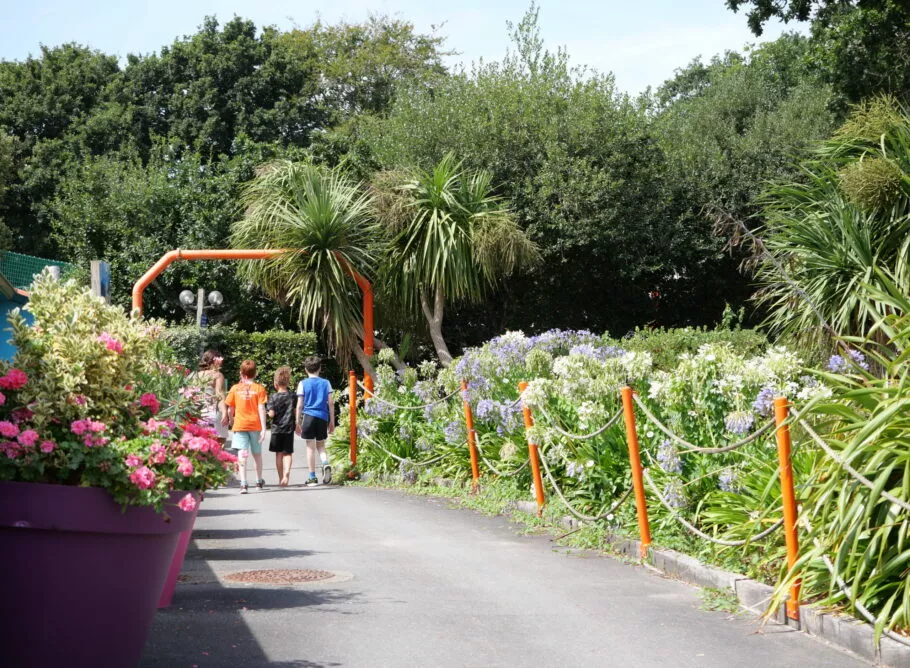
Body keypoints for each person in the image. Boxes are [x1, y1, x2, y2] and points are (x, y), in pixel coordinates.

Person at [224, 359, 268, 494]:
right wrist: (264, 428)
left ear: (241, 373)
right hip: (255, 426)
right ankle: (259, 481)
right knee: (257, 454)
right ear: (255, 373)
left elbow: (230, 409)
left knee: (242, 455)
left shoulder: (235, 388)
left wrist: (231, 420)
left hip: (240, 426)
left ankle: (243, 484)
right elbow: (262, 409)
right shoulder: (259, 389)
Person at [295, 356, 335, 485]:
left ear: (306, 369)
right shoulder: (326, 383)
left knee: (310, 447)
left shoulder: (303, 383)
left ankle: (312, 477)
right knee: (321, 445)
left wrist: (297, 421)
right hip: (322, 417)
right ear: (320, 368)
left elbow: (300, 404)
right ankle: (325, 463)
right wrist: (332, 421)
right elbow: (331, 403)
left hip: (308, 416)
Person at [268, 366, 297, 487]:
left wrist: (268, 412)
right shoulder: (292, 396)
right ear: (288, 382)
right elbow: (295, 412)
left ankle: (281, 478)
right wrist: (298, 423)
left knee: (278, 454)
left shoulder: (273, 397)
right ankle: (287, 474)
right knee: (288, 453)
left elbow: (271, 414)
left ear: (275, 383)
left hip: (276, 429)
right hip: (289, 428)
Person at [197, 350, 230, 445]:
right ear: (215, 361)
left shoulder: (196, 375)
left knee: (201, 445)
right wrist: (224, 412)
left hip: (199, 413)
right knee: (219, 444)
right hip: (213, 413)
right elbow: (219, 395)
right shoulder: (218, 375)